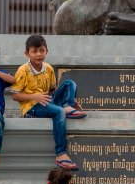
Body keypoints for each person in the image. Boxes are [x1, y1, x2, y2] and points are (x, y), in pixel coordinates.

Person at [11, 34, 85, 171]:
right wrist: (35, 96)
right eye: (34, 51)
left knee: (70, 83)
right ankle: (61, 154)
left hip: (47, 101)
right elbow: (15, 96)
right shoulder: (23, 70)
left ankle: (67, 106)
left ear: (46, 51)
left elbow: (53, 91)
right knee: (59, 112)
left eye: (42, 50)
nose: (39, 54)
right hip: (31, 107)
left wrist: (70, 100)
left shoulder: (48, 68)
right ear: (27, 53)